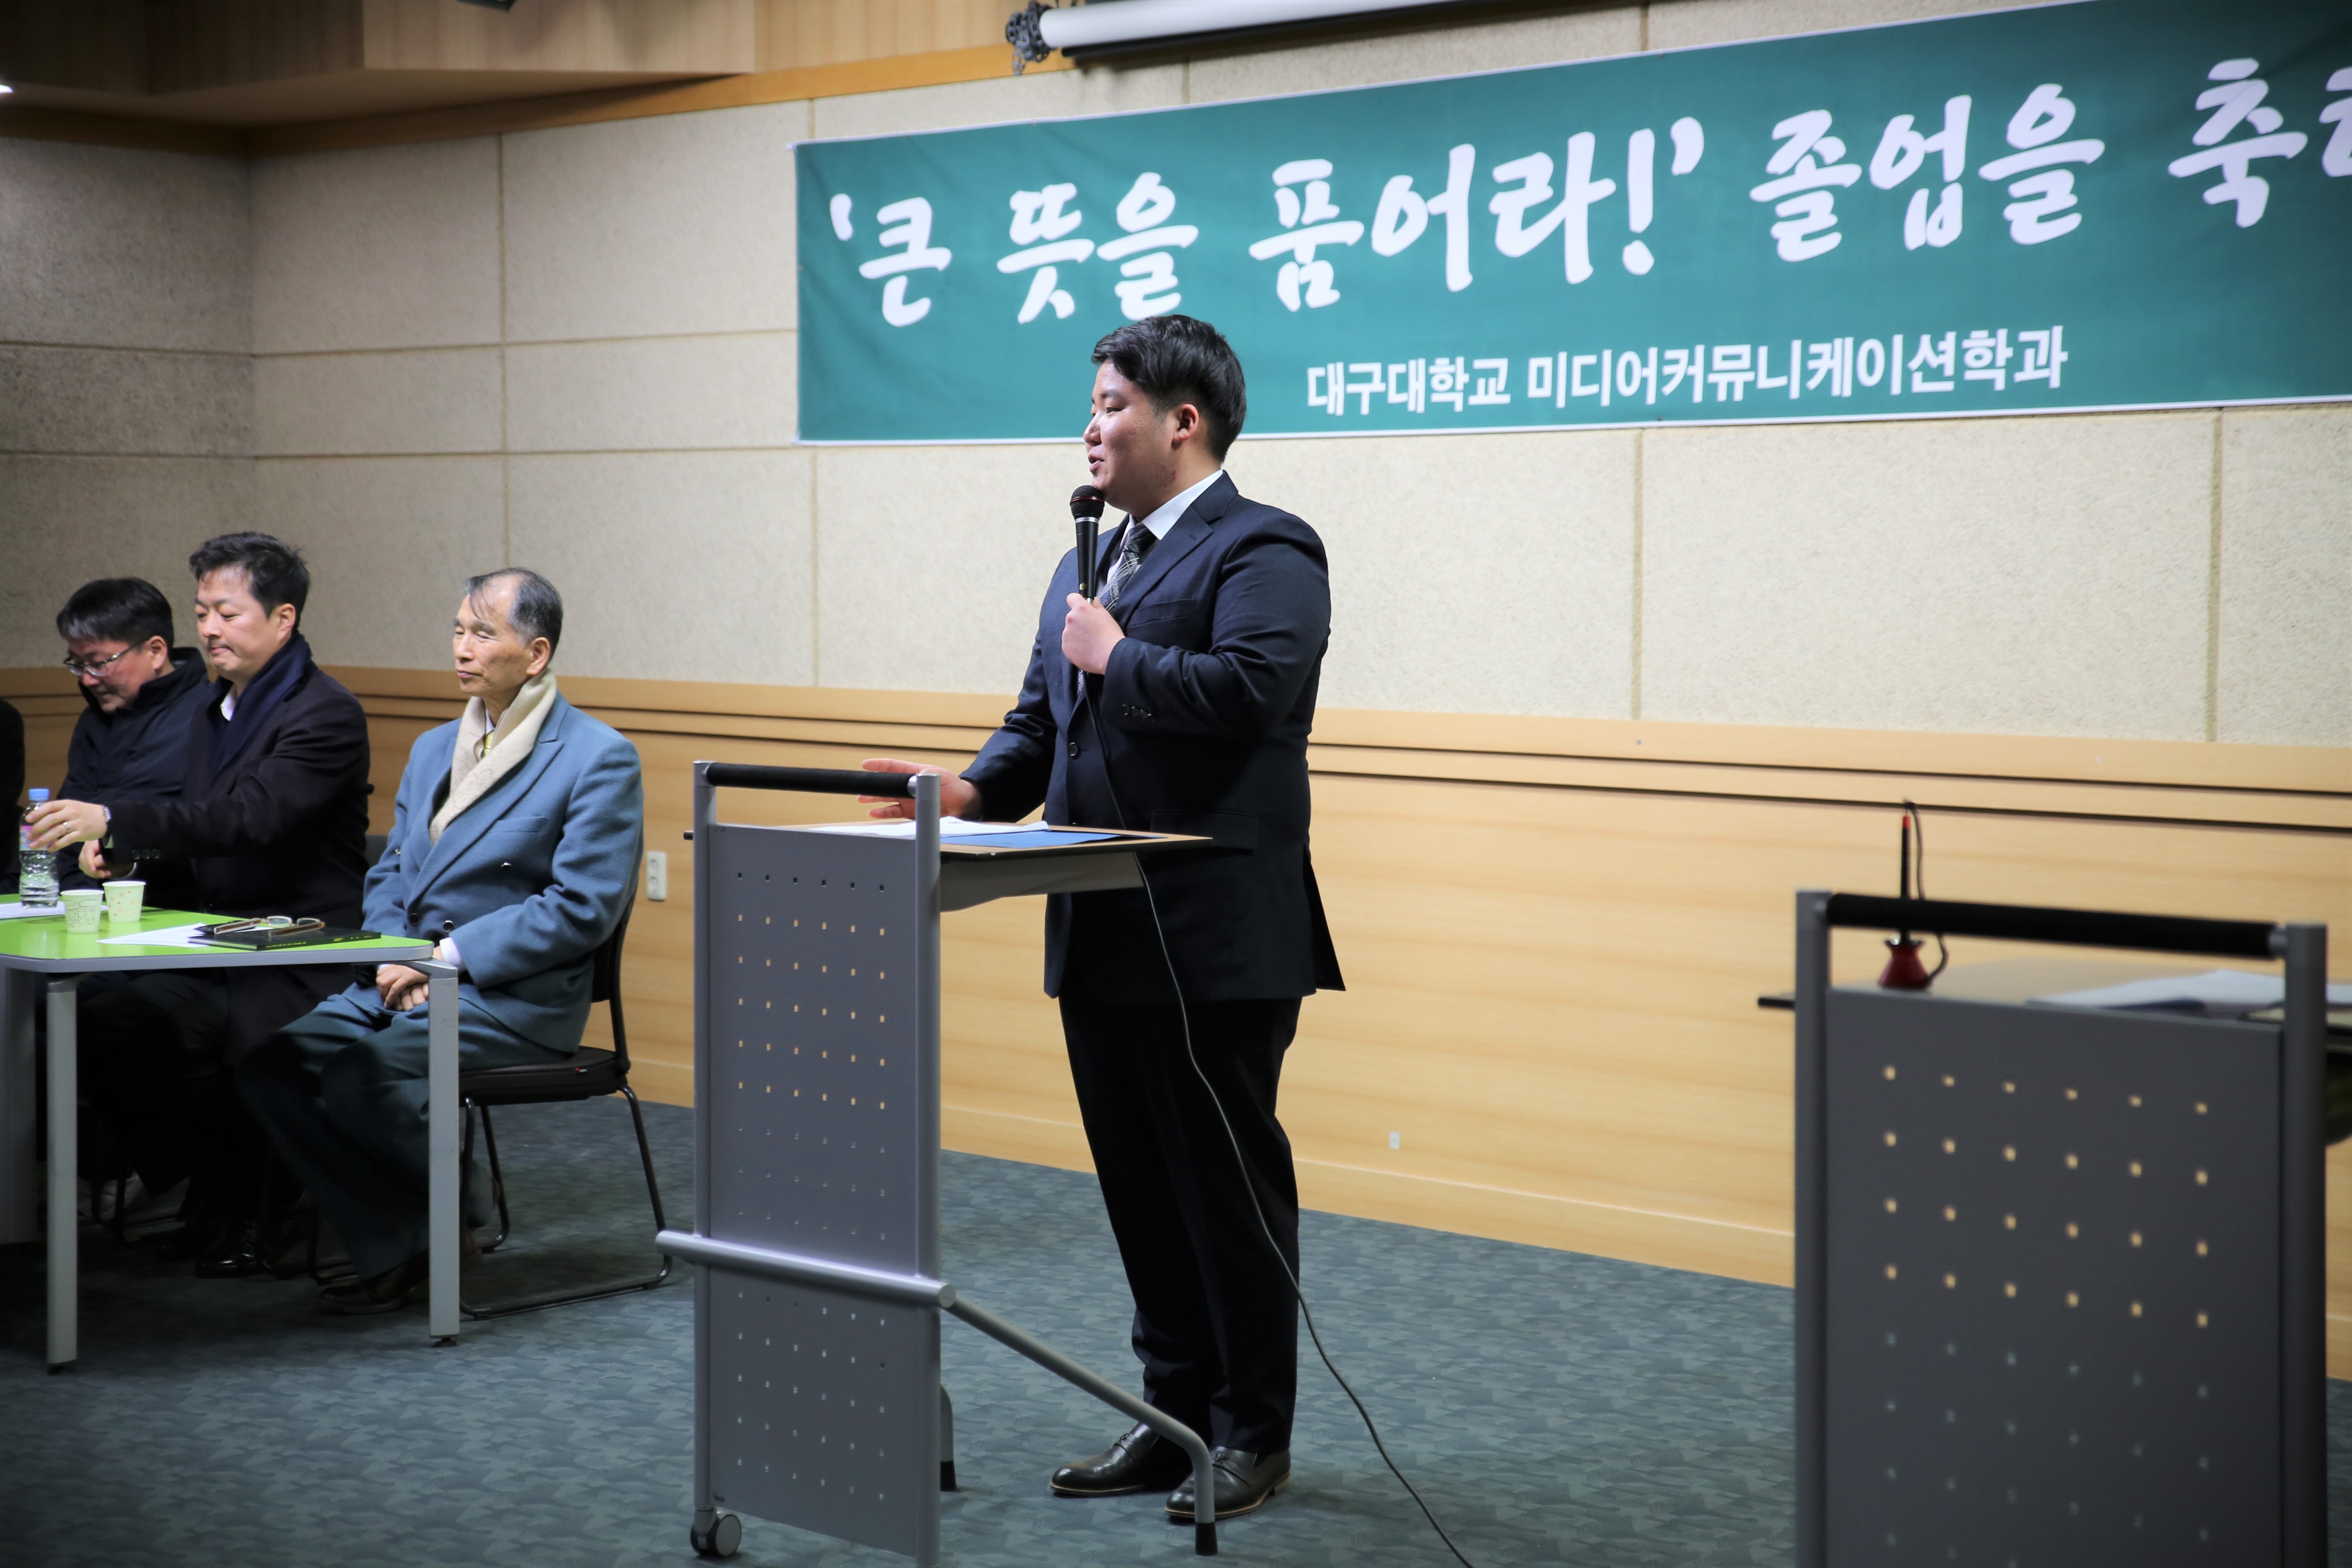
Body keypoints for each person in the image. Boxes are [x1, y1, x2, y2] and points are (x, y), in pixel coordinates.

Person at [863, 315, 1342, 1524]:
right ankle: (1173, 1413)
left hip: (1214, 937)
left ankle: (1251, 1432)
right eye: (1091, 405)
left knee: (1223, 1190)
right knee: (1138, 1186)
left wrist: (1117, 654)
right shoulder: (1088, 561)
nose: (1090, 427)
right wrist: (965, 792)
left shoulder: (1267, 546)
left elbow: (1249, 692)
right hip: (1100, 929)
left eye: (1113, 404)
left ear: (1184, 421)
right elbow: (1040, 725)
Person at [238, 568, 643, 1314]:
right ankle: (424, 1225)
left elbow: (580, 908)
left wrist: (445, 960)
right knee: (274, 1065)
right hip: (403, 975)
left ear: (537, 653)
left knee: (361, 1075)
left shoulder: (598, 756)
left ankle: (432, 1228)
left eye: (483, 634)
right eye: (458, 631)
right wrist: (396, 953)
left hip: (510, 997)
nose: (462, 648)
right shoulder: (433, 748)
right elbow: (390, 870)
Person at [26, 533, 372, 1276]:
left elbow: (251, 818)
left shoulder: (325, 711)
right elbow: (201, 828)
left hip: (303, 943)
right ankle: (212, 1183)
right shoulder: (215, 708)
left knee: (222, 1036)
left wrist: (116, 819)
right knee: (101, 1021)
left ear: (283, 619)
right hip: (223, 937)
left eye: (228, 612)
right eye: (202, 611)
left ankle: (263, 1197)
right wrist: (130, 856)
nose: (210, 629)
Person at [53, 577, 214, 888]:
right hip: (77, 899)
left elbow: (208, 831)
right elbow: (67, 832)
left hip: (164, 902)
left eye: (99, 663)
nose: (88, 680)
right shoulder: (95, 719)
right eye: (78, 665)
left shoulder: (207, 718)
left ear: (155, 651)